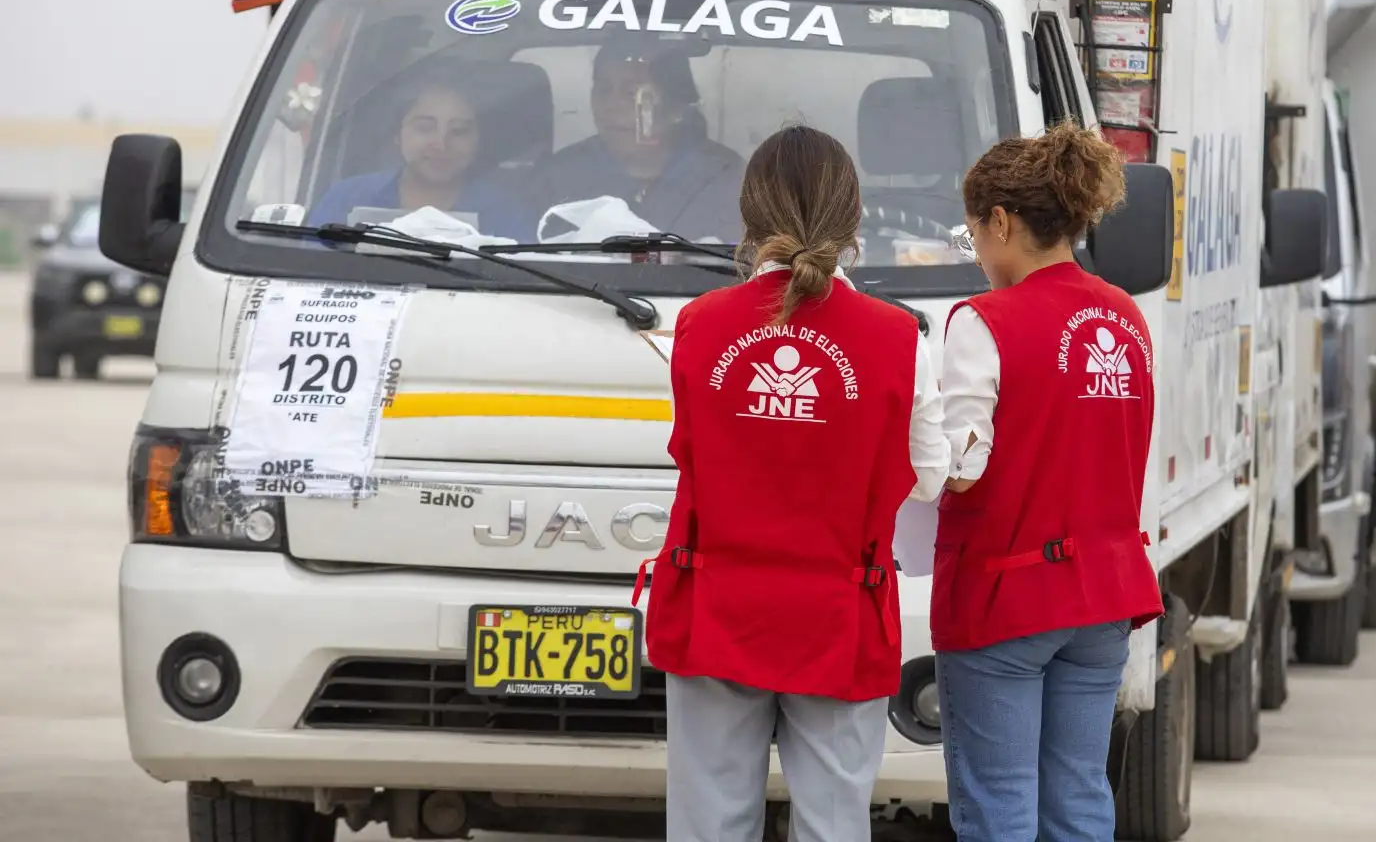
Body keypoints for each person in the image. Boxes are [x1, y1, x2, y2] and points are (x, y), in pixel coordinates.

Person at [634, 124, 949, 842]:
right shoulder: (900, 339)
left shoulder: (698, 326)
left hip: (715, 602)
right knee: (835, 826)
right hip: (842, 609)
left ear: (748, 216)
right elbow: (929, 479)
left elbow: (693, 450)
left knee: (709, 826)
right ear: (854, 218)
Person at [930, 122, 1165, 842]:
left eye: (975, 236)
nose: (977, 256)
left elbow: (963, 466)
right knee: (1079, 798)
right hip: (1102, 595)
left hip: (1005, 595)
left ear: (1001, 221)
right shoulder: (1125, 316)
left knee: (998, 805)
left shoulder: (983, 321)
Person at [527, 45, 745, 240]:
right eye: (603, 89)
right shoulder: (559, 176)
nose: (612, 105)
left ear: (676, 107)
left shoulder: (726, 178)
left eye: (633, 93)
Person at [307, 66, 534, 240]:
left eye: (459, 130)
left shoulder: (504, 214)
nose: (441, 144)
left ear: (478, 140)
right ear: (398, 134)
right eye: (425, 127)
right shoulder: (348, 198)